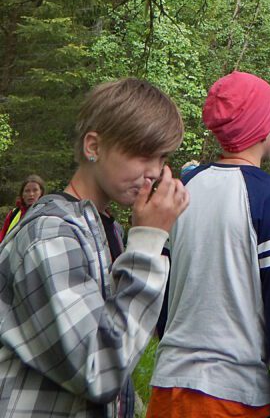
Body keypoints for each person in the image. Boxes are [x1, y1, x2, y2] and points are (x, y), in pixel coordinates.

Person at [0, 77, 189, 418]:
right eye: (141, 154)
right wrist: (147, 245)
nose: (154, 173)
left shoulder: (106, 228)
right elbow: (99, 369)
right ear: (94, 146)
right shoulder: (51, 235)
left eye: (160, 157)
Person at [147, 70, 270, 418]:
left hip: (168, 386)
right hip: (233, 395)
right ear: (265, 129)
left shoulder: (185, 187)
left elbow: (162, 286)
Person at [0, 174, 46, 242]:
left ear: (41, 193)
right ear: (22, 194)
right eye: (27, 191)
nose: (31, 194)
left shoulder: (47, 213)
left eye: (35, 190)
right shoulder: (13, 214)